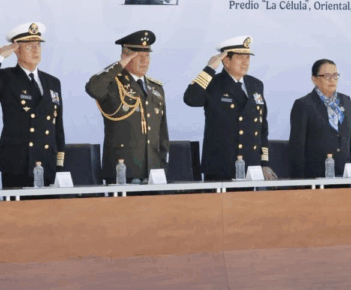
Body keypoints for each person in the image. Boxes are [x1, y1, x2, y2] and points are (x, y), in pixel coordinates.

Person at [183, 36, 276, 180]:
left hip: (251, 167)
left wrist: (264, 162)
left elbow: (262, 127)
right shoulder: (213, 83)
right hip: (221, 167)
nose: (246, 63)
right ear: (226, 61)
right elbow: (191, 99)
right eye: (240, 58)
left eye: (248, 58)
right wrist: (209, 69)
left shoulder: (256, 84)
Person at [85, 31, 169, 183]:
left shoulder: (156, 89)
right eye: (139, 57)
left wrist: (161, 167)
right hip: (123, 171)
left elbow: (162, 135)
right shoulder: (113, 83)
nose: (145, 61)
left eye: (147, 56)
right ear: (126, 57)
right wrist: (119, 65)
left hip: (153, 172)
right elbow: (93, 88)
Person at [0, 22, 65, 188]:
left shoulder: (52, 82)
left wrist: (60, 165)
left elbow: (58, 127)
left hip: (47, 162)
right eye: (29, 47)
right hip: (18, 163)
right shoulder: (6, 78)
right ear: (16, 51)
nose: (36, 50)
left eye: (38, 46)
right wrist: (1, 55)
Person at [288, 59, 351, 179]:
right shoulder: (304, 104)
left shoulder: (346, 100)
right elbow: (297, 147)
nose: (332, 80)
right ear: (314, 79)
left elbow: (350, 139)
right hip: (315, 177)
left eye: (335, 76)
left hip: (343, 175)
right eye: (327, 76)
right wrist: (299, 182)